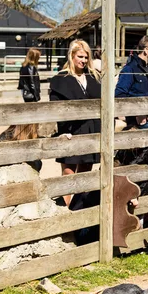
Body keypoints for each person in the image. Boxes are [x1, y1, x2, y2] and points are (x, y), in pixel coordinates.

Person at [49, 39, 101, 208]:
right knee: (69, 171)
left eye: (86, 57)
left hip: (91, 130)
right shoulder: (61, 79)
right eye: (80, 56)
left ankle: (79, 207)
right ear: (72, 56)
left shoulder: (93, 77)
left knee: (86, 171)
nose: (84, 61)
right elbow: (56, 107)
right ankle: (64, 209)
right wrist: (63, 130)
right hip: (70, 130)